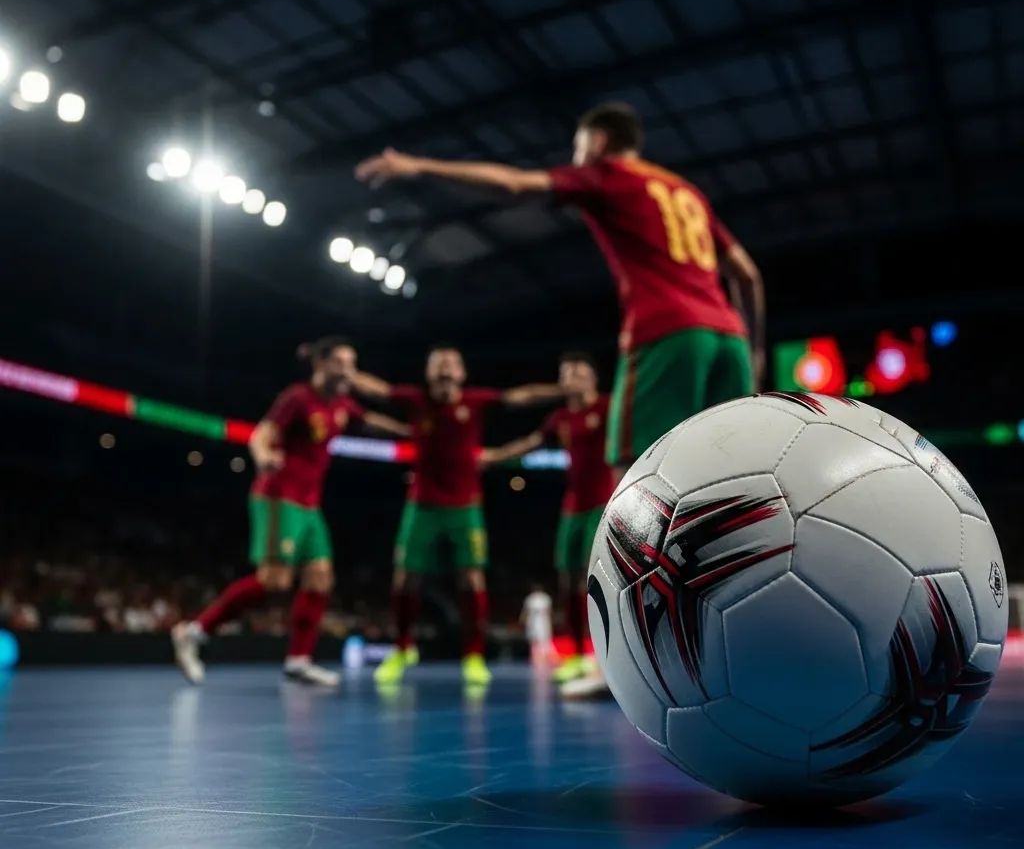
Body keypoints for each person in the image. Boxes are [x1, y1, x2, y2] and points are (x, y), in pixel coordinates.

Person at [355, 100, 764, 479]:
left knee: (633, 465)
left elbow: (514, 184)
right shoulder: (685, 191)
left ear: (598, 140)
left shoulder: (608, 175)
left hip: (670, 333)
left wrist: (421, 165)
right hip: (729, 337)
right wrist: (755, 349)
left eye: (578, 145)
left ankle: (637, 560)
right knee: (727, 472)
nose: (574, 157)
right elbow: (746, 274)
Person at [171, 337, 408, 687]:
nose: (348, 370)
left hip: (311, 505)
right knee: (274, 581)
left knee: (320, 578)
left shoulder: (342, 405)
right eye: (341, 362)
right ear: (320, 364)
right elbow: (261, 434)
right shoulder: (297, 398)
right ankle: (193, 632)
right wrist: (264, 457)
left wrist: (414, 434)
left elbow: (372, 420)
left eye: (352, 363)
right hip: (279, 496)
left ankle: (298, 660)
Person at [350, 345, 560, 687]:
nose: (446, 369)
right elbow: (376, 390)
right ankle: (402, 649)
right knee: (404, 579)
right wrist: (345, 373)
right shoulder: (416, 400)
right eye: (439, 363)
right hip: (421, 505)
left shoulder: (476, 401)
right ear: (429, 372)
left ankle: (474, 656)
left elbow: (521, 396)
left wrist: (561, 390)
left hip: (465, 507)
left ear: (462, 374)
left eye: (452, 364)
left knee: (471, 580)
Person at [484, 353, 613, 685]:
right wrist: (496, 456)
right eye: (565, 373)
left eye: (577, 372)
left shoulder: (608, 407)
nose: (570, 378)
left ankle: (605, 655)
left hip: (603, 502)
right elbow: (532, 442)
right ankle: (577, 655)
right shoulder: (559, 418)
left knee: (594, 580)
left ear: (592, 380)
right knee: (567, 579)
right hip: (572, 507)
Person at [520, 585, 554, 668]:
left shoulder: (545, 598)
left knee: (544, 640)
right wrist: (522, 620)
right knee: (534, 641)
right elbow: (526, 611)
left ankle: (544, 659)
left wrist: (551, 623)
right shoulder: (530, 599)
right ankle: (535, 659)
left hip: (543, 621)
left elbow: (549, 612)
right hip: (532, 622)